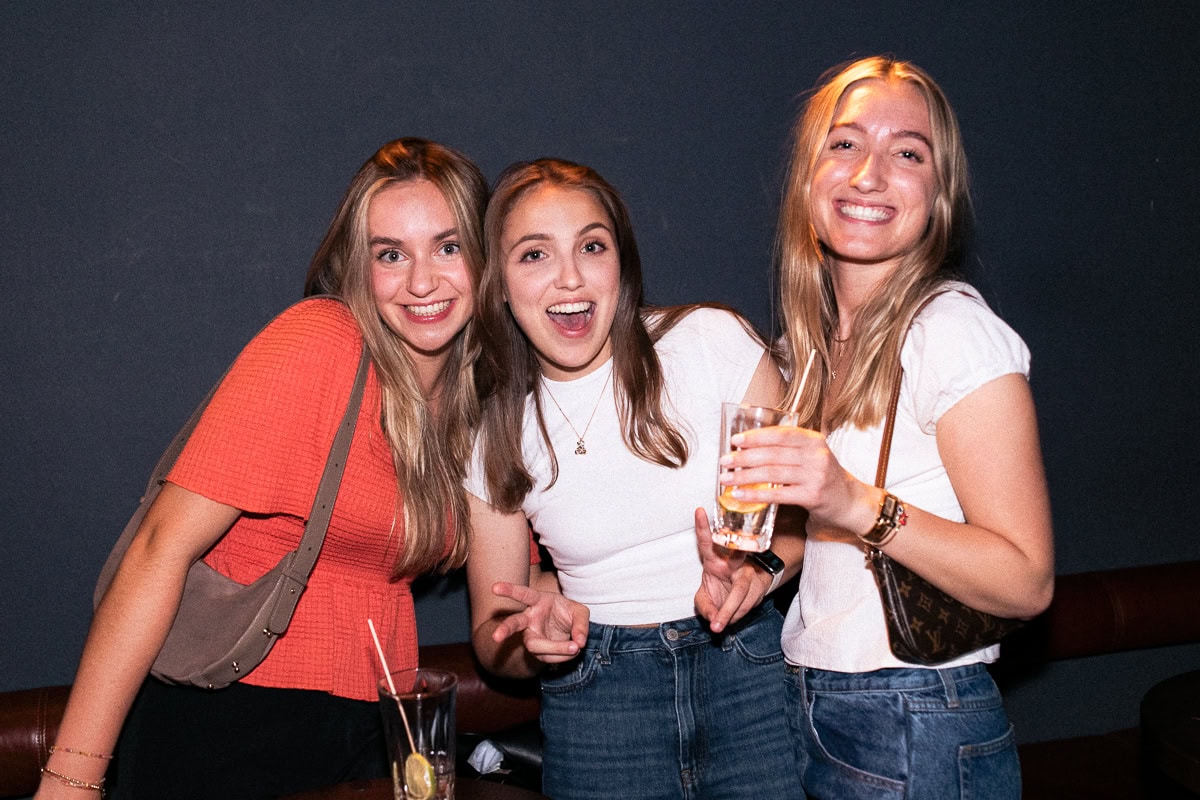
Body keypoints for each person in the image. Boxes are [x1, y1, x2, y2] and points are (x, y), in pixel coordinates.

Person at [35, 138, 487, 800]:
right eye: (390, 254)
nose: (422, 281)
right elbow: (160, 546)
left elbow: (516, 570)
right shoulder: (321, 343)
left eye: (447, 247)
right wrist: (70, 779)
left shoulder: (478, 400)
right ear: (359, 268)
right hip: (232, 723)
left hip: (374, 730)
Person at [716, 57, 1055, 800]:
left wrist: (854, 502)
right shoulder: (814, 347)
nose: (869, 174)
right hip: (818, 705)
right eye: (844, 144)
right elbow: (832, 548)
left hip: (917, 721)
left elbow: (1027, 580)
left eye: (908, 153)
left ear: (939, 196)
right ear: (809, 179)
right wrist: (762, 569)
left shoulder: (953, 331)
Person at [466, 158, 803, 800]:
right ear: (500, 285)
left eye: (592, 246)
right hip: (599, 706)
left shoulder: (711, 344)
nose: (570, 276)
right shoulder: (495, 433)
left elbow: (802, 522)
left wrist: (760, 570)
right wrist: (534, 640)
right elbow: (492, 634)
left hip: (749, 673)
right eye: (534, 254)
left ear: (622, 264)